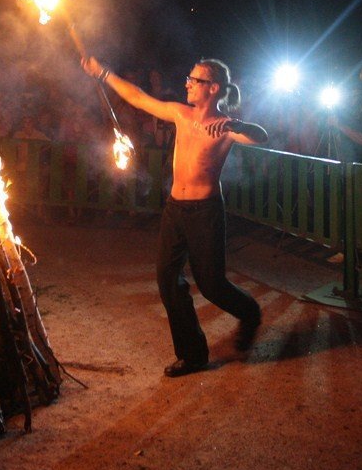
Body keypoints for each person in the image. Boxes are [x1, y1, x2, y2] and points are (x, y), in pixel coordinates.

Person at [80, 54, 269, 377]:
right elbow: (140, 98)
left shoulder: (224, 128)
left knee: (211, 285)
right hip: (175, 210)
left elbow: (261, 136)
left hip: (205, 213)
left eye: (194, 79)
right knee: (168, 281)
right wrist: (104, 73)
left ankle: (250, 313)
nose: (187, 83)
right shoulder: (182, 115)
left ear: (212, 88)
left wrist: (239, 125)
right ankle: (193, 355)